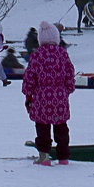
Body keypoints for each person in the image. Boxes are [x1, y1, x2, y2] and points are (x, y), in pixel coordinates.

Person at [22, 20, 75, 165]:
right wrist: (68, 89)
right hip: (60, 96)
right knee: (61, 127)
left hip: (41, 97)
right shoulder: (62, 54)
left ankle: (44, 156)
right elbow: (70, 73)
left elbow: (30, 76)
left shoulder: (37, 55)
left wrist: (28, 94)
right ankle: (63, 157)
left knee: (42, 126)